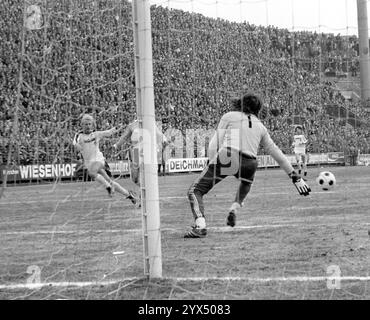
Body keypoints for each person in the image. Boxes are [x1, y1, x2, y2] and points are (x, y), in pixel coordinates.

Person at [184, 93, 311, 239]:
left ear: (240, 103)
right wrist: (294, 176)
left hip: (228, 156)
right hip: (250, 163)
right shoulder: (261, 127)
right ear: (258, 109)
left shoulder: (229, 116)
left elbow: (215, 142)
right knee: (245, 183)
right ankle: (234, 207)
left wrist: (210, 161)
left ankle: (200, 226)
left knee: (195, 191)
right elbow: (276, 152)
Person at [73, 114, 139, 206]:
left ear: (92, 125)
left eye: (89, 124)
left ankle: (108, 187)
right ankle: (129, 195)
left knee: (92, 173)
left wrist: (118, 126)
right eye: (86, 124)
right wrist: (78, 147)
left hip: (99, 160)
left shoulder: (96, 134)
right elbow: (75, 144)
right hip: (89, 163)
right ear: (81, 125)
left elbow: (109, 132)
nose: (88, 126)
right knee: (110, 182)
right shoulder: (78, 136)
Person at [113, 119, 170, 186]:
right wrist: (116, 145)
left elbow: (158, 133)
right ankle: (143, 189)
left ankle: (145, 192)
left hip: (148, 150)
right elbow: (124, 137)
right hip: (136, 151)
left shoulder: (150, 123)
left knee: (147, 174)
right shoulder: (132, 125)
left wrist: (165, 139)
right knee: (135, 177)